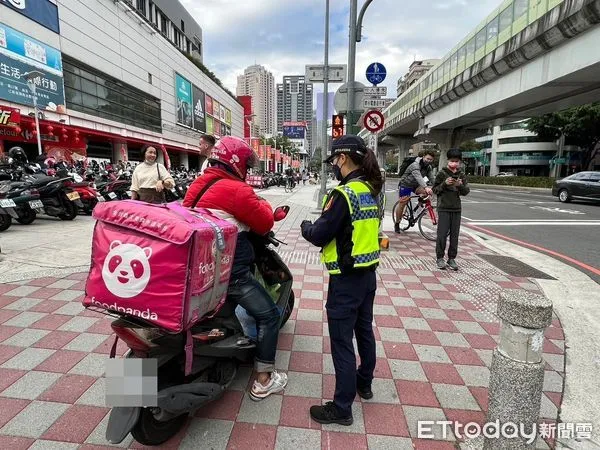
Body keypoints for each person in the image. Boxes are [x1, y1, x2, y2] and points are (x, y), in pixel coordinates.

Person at [182, 136, 288, 400]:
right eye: (246, 166)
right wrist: (261, 204)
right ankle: (264, 379)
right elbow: (264, 223)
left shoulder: (198, 184)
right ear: (237, 163)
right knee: (269, 316)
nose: (248, 171)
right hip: (228, 274)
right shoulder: (237, 190)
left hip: (195, 271)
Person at [300, 135, 382, 426]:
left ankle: (341, 407)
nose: (333, 166)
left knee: (342, 343)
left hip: (346, 281)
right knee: (364, 332)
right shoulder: (370, 190)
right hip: (368, 276)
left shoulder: (344, 194)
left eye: (334, 160)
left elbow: (321, 233)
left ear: (343, 159)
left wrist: (306, 227)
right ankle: (365, 383)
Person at [432, 148, 470, 270]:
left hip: (456, 209)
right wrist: (444, 184)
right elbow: (435, 190)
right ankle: (440, 258)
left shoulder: (461, 175)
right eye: (452, 161)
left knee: (455, 236)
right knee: (442, 235)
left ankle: (452, 258)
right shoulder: (441, 173)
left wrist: (459, 185)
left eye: (457, 161)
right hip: (443, 208)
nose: (455, 163)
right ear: (448, 160)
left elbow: (466, 192)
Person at [394, 149, 435, 233]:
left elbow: (432, 178)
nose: (429, 161)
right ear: (423, 157)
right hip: (405, 184)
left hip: (416, 185)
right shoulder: (415, 165)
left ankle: (416, 210)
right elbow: (418, 177)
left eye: (431, 159)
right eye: (427, 159)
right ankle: (397, 223)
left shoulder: (428, 167)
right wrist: (426, 187)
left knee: (425, 194)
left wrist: (438, 186)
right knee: (402, 204)